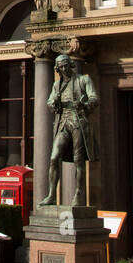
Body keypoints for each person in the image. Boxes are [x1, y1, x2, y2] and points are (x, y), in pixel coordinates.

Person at [39, 53, 98, 208]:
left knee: (79, 160)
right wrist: (54, 103)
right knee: (54, 158)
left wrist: (84, 105)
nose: (64, 69)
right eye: (61, 67)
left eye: (66, 65)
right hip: (63, 122)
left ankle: (78, 194)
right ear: (57, 69)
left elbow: (94, 98)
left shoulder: (83, 80)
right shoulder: (56, 85)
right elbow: (50, 102)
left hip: (78, 121)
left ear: (71, 64)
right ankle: (52, 194)